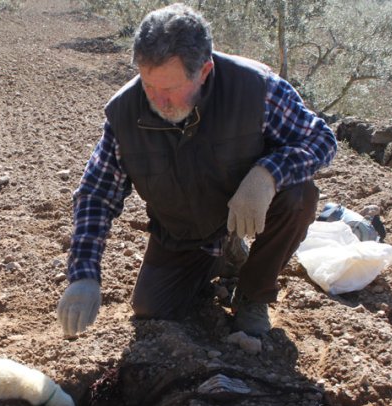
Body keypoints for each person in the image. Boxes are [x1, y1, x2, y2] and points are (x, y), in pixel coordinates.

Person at [57, 3, 336, 338]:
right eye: (148, 85)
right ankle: (224, 256)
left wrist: (268, 175)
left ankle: (253, 293)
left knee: (298, 197)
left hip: (245, 206)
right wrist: (83, 275)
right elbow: (96, 194)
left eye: (170, 89)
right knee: (152, 309)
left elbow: (320, 140)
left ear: (203, 72)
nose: (157, 101)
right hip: (183, 230)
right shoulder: (125, 112)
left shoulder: (256, 89)